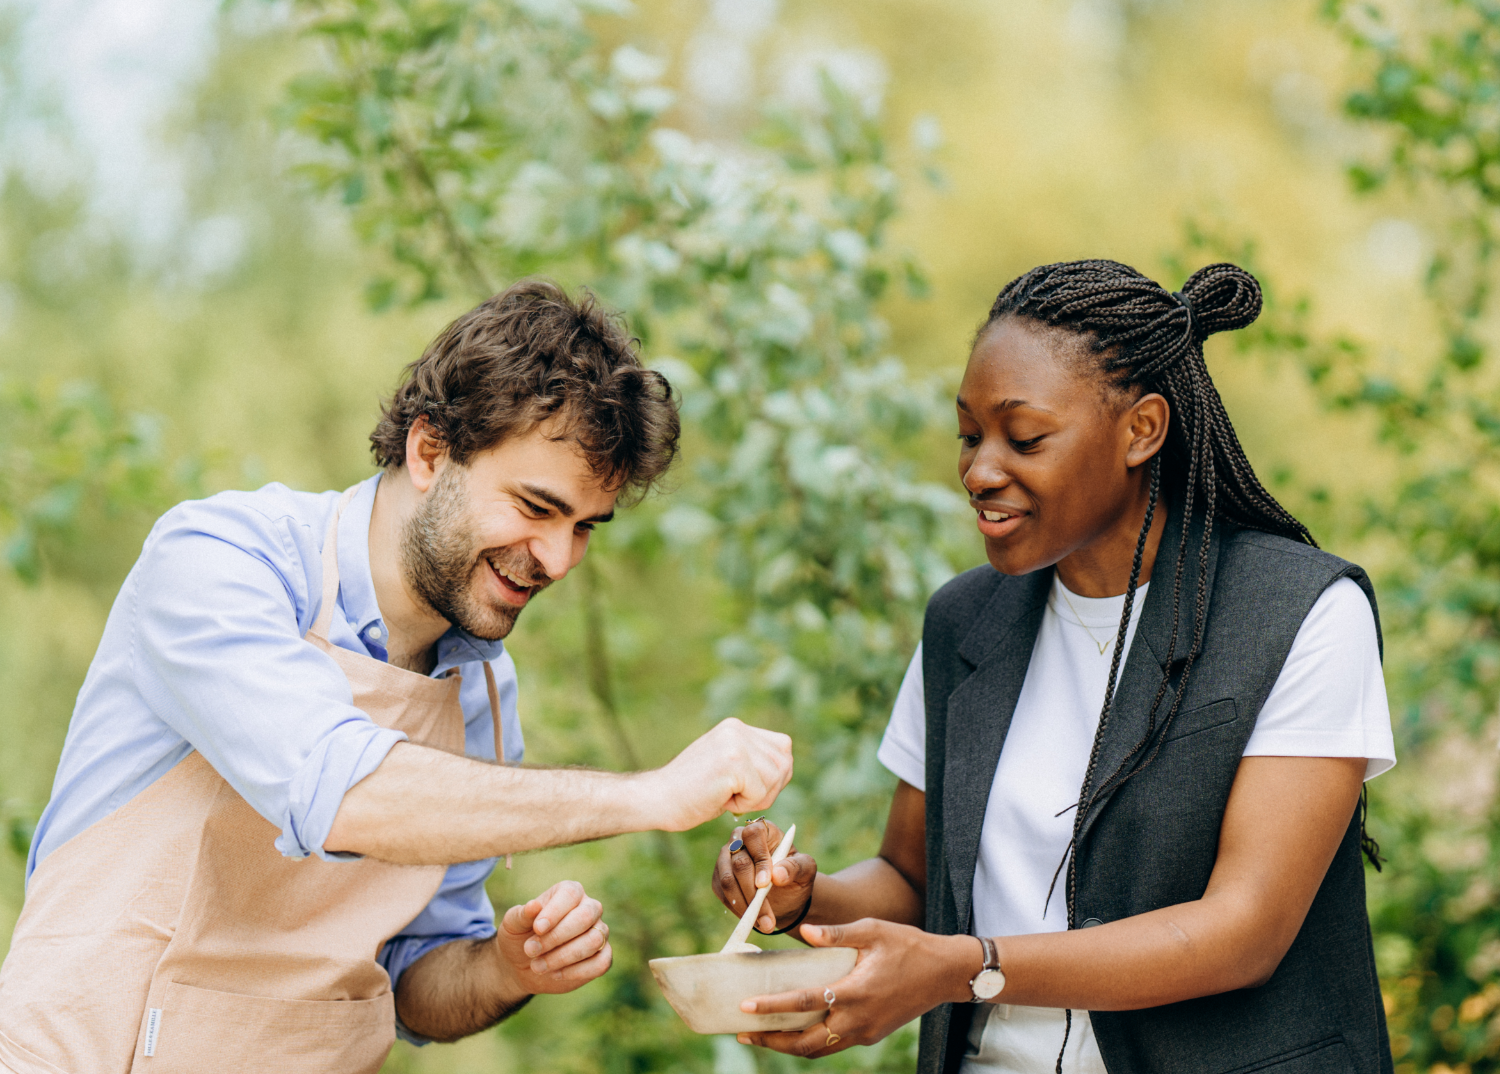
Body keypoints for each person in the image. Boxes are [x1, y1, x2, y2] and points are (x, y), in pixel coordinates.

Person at [0, 280, 794, 1074]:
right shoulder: (221, 561)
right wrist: (646, 795)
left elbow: (415, 983)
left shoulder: (484, 690)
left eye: (584, 527)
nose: (557, 559)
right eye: (535, 506)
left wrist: (507, 969)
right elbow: (344, 791)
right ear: (429, 451)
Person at [712, 261, 1395, 1074]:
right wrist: (798, 900)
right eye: (969, 435)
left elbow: (1243, 932)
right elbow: (912, 878)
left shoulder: (1298, 613)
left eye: (1023, 438)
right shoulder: (966, 622)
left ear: (1142, 430)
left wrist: (966, 966)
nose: (979, 471)